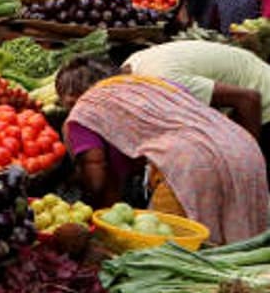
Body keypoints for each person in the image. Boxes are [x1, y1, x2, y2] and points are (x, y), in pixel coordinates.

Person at [55, 57, 269, 244]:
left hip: (190, 164)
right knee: (236, 248)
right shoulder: (157, 84)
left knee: (174, 251)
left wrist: (86, 205)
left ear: (71, 96)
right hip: (243, 148)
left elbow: (96, 173)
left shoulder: (86, 110)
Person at [122, 41, 270, 144]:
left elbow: (249, 99)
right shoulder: (131, 63)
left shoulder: (165, 80)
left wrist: (250, 159)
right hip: (247, 82)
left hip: (263, 101)